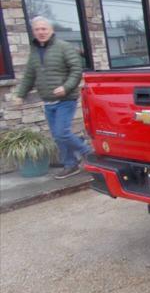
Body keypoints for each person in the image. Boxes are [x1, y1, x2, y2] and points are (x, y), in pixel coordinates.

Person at [13, 16, 91, 179]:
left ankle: (89, 153)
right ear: (33, 32)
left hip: (66, 99)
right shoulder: (34, 51)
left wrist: (66, 87)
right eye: (37, 29)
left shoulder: (64, 47)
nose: (41, 32)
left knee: (62, 133)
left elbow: (76, 69)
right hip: (48, 101)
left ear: (51, 30)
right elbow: (29, 75)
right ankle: (70, 164)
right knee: (58, 136)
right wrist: (20, 95)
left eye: (44, 29)